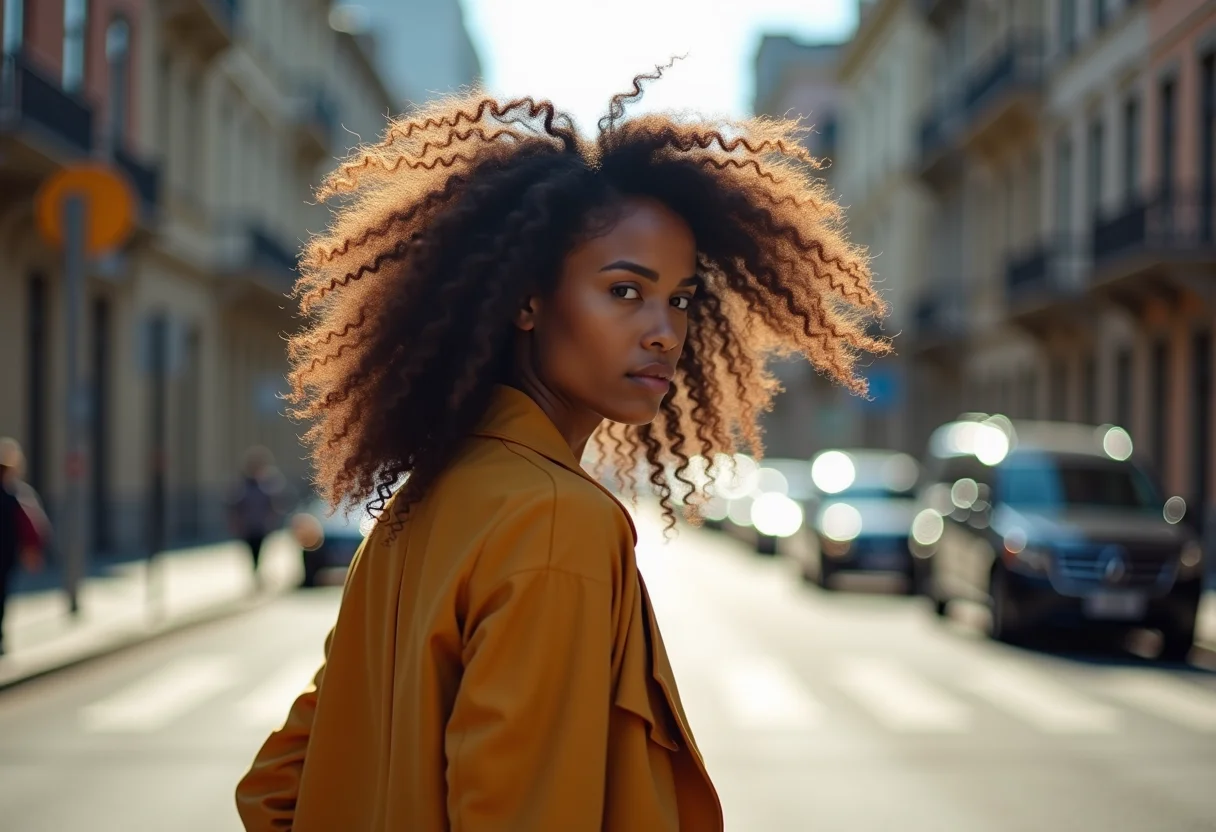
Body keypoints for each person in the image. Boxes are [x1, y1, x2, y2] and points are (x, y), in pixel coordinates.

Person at [236, 66, 888, 831]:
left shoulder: (426, 502)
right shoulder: (556, 522)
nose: (664, 330)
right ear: (525, 300)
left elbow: (279, 787)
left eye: (679, 299)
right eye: (624, 290)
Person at [0, 438, 48, 657]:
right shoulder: (16, 495)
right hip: (6, 557)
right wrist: (32, 553)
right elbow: (33, 527)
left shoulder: (16, 495)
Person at [226, 446, 287, 588]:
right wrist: (235, 522)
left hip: (262, 526)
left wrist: (274, 517)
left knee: (260, 550)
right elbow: (235, 506)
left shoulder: (266, 484)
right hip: (248, 527)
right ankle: (256, 574)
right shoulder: (243, 486)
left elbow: (273, 504)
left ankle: (258, 574)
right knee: (252, 551)